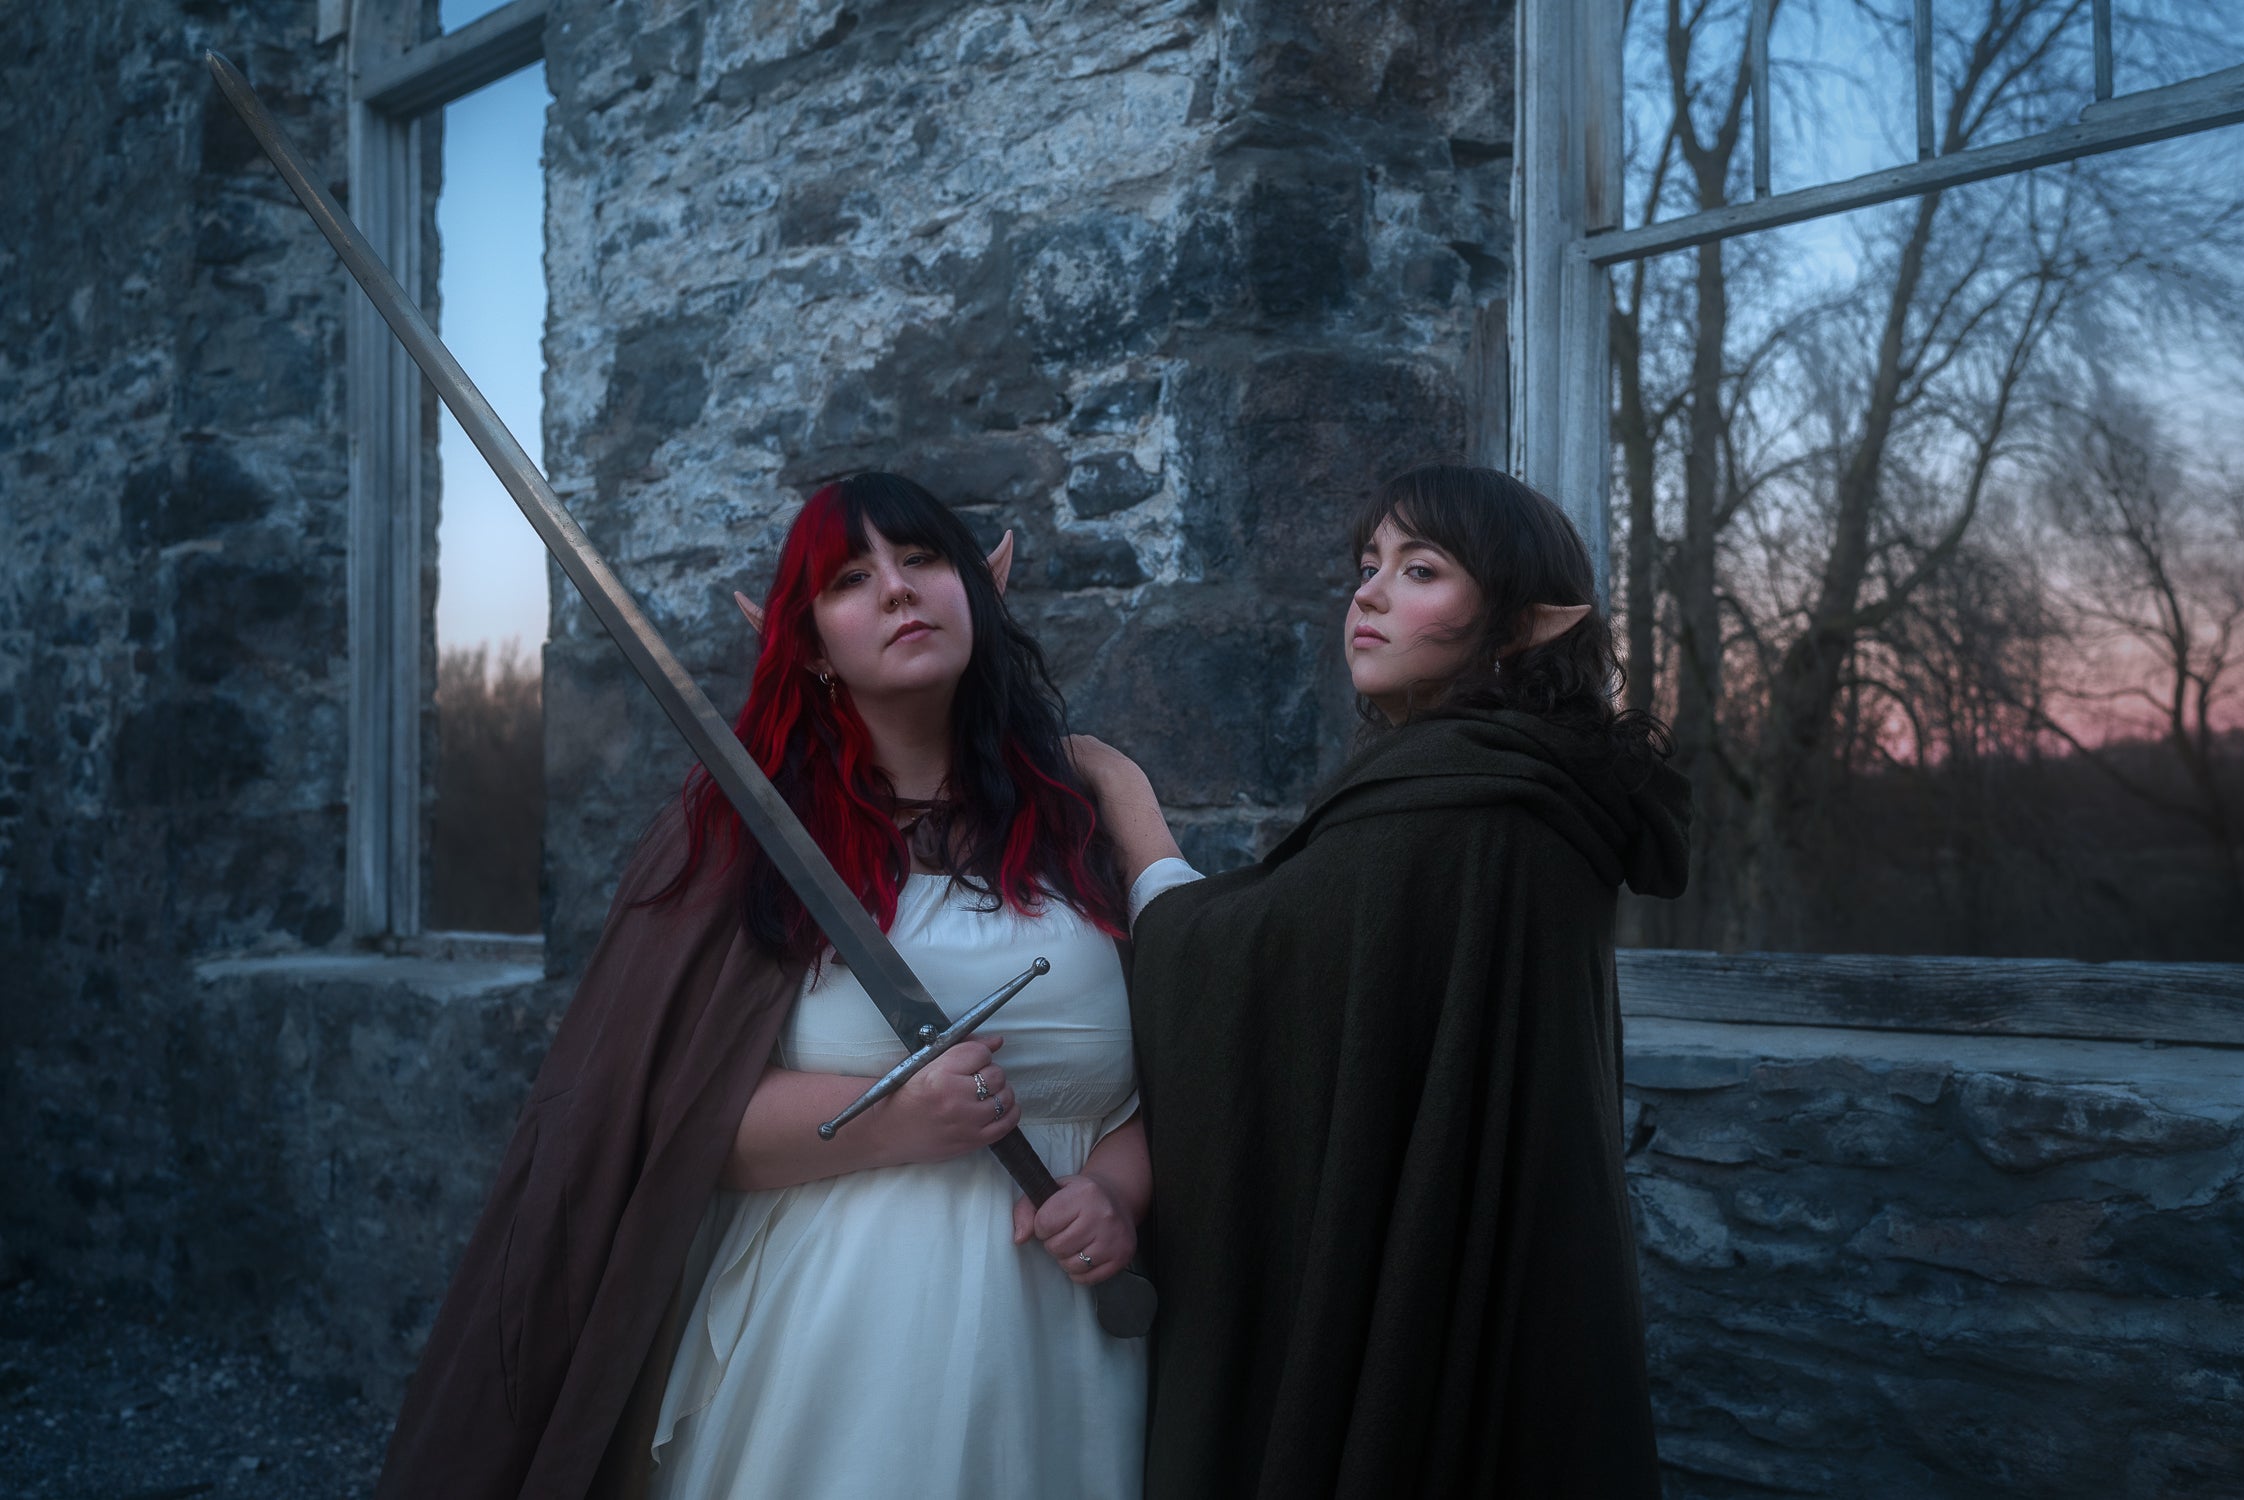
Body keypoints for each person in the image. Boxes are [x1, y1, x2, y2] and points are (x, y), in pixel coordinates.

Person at [377, 472, 1179, 1500]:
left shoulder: (1079, 819)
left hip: (1070, 1335)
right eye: (852, 577)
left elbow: (1161, 1073)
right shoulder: (743, 841)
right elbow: (660, 1123)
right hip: (840, 1340)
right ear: (807, 645)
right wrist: (892, 1117)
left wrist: (1115, 1191)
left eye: (923, 559)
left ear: (977, 592)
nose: (897, 590)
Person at [1127, 463, 1691, 1498]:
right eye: (1368, 564)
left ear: (1526, 625)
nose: (1369, 592)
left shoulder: (1468, 806)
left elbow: (1244, 969)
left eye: (1419, 569)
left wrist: (1135, 833)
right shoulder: (1526, 791)